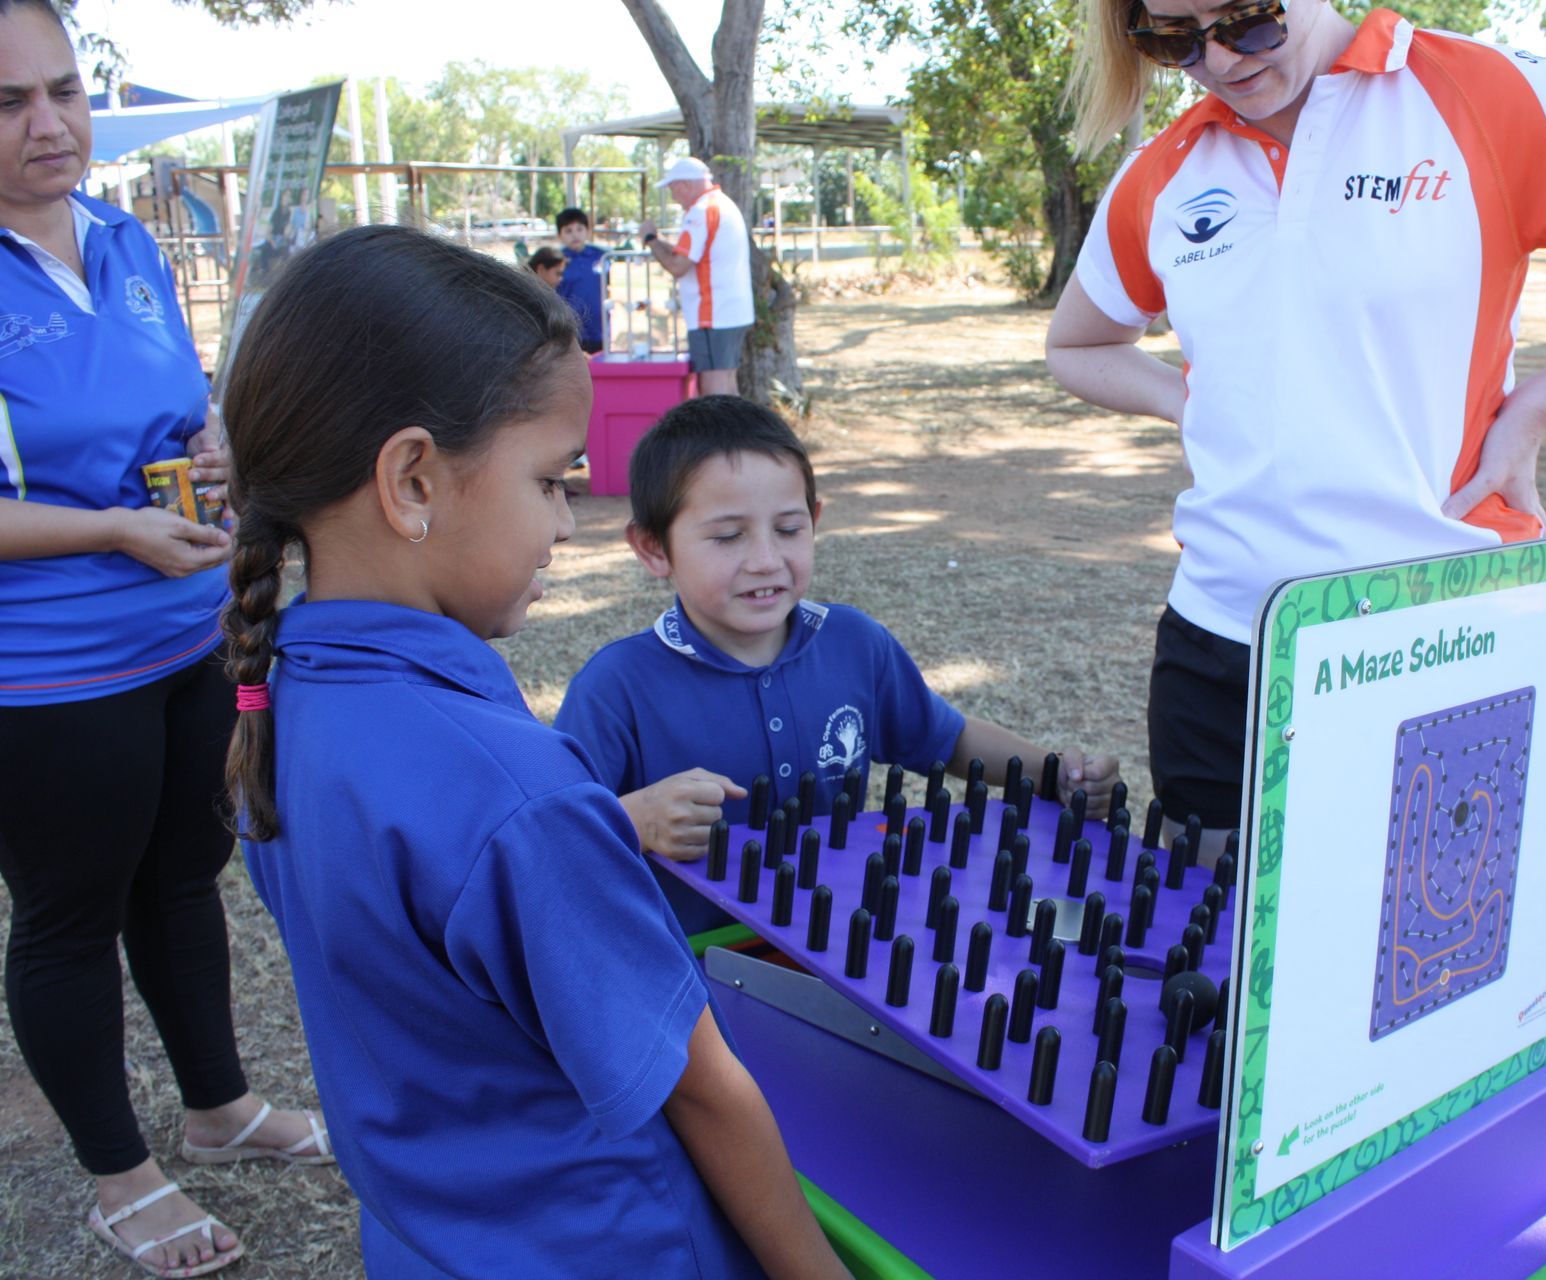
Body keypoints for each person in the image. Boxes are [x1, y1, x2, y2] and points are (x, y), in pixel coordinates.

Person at [1045, 0, 1546, 849]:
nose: (1221, 62)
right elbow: (1079, 344)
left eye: (1248, 19)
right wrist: (1191, 402)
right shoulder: (1168, 170)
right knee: (1216, 956)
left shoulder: (1483, 93)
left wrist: (1538, 404)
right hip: (1220, 644)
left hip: (1433, 638)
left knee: (1416, 956)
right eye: (1173, 38)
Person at [218, 224, 847, 1280]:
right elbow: (698, 1085)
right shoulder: (521, 797)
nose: (564, 521)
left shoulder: (280, 699)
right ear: (412, 479)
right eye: (551, 478)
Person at [0, 4, 332, 1276]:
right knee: (71, 915)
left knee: (183, 883)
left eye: (65, 90)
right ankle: (116, 1173)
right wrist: (109, 536)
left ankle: (220, 1108)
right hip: (44, 671)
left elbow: (179, 406)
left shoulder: (126, 235)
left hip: (186, 633)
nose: (51, 123)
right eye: (11, 101)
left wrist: (215, 448)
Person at [554, 395, 1121, 929]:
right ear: (654, 549)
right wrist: (638, 819)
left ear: (815, 520)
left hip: (843, 956)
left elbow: (949, 739)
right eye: (728, 537)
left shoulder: (854, 644)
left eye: (789, 529)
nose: (766, 560)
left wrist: (1054, 774)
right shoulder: (615, 687)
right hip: (688, 978)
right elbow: (552, 837)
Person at [638, 157, 754, 396]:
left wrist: (650, 239)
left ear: (684, 185)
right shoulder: (721, 204)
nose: (673, 197)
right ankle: (733, 433)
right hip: (730, 311)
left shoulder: (699, 212)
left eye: (673, 189)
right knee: (726, 380)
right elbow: (690, 254)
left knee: (714, 385)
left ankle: (719, 434)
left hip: (712, 313)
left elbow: (678, 266)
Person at [553, 205, 606, 354]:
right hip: (570, 328)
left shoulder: (600, 256)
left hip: (598, 326)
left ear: (587, 231)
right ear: (560, 235)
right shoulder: (556, 259)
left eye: (579, 229)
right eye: (568, 231)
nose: (575, 235)